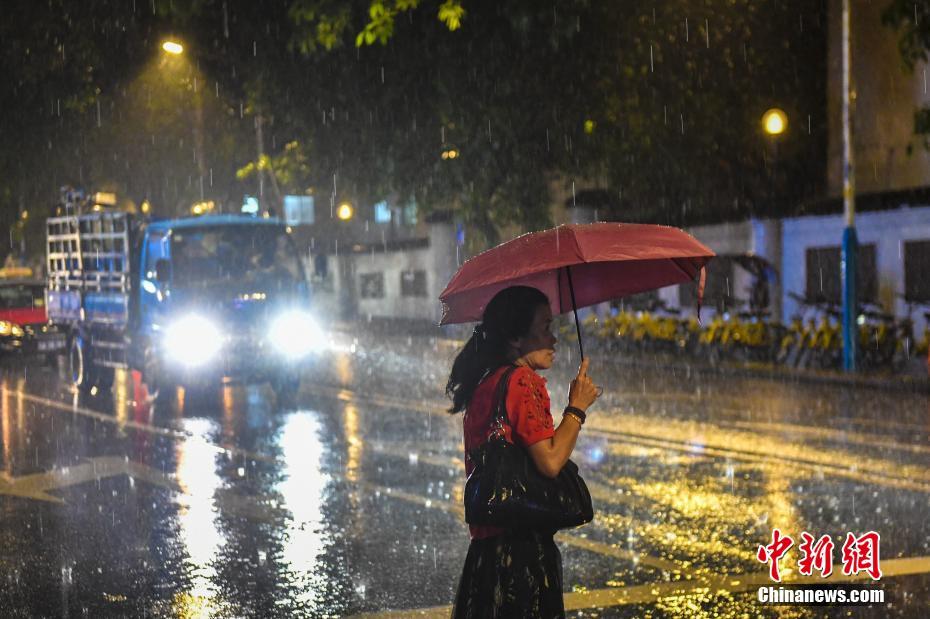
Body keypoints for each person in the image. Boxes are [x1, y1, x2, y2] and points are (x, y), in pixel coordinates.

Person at [446, 285, 600, 618]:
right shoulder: (521, 381)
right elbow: (550, 461)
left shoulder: (487, 380)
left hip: (486, 554)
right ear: (516, 337)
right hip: (521, 558)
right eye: (545, 327)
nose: (554, 339)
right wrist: (577, 408)